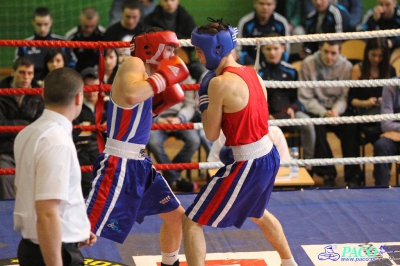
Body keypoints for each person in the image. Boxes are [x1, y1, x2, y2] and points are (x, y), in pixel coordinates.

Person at [182, 19, 298, 266]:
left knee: (191, 221)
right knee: (258, 213)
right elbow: (258, 118)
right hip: (268, 154)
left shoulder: (218, 83)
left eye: (200, 51)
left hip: (249, 163)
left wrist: (205, 105)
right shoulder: (253, 74)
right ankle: (290, 263)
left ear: (216, 50)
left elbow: (211, 135)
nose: (197, 56)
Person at [85, 28, 189, 266]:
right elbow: (131, 96)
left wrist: (161, 95)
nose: (173, 54)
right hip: (119, 163)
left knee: (176, 217)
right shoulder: (134, 64)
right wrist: (163, 79)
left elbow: (135, 113)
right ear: (151, 48)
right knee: (85, 229)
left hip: (139, 164)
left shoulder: (148, 77)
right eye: (169, 48)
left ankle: (169, 263)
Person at [13, 67, 97, 266]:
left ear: (42, 94)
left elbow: (25, 190)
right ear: (79, 98)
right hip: (52, 252)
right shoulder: (56, 140)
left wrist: (75, 228)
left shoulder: (27, 133)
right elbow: (47, 212)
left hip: (41, 245)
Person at [298, 40, 363, 187]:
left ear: (340, 53)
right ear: (320, 48)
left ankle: (353, 175)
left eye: (333, 53)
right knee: (316, 127)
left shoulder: (346, 66)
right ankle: (327, 173)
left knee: (351, 127)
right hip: (316, 109)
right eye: (326, 52)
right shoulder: (308, 64)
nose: (329, 57)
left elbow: (345, 96)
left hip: (337, 109)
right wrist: (323, 112)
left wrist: (336, 111)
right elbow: (305, 96)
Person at [258, 33, 315, 163]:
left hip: (288, 114)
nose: (272, 52)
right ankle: (264, 168)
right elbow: (254, 102)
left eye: (276, 48)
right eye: (268, 49)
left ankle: (309, 166)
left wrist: (293, 108)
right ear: (262, 50)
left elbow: (298, 98)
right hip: (266, 118)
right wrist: (265, 115)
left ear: (283, 48)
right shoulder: (257, 72)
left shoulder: (292, 71)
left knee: (308, 124)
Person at [0, 57, 44, 200]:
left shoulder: (39, 95)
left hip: (32, 149)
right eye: (22, 72)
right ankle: (9, 213)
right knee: (4, 174)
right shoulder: (1, 93)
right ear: (13, 72)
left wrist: (12, 125)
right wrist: (27, 124)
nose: (26, 77)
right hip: (6, 150)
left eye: (30, 73)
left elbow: (41, 125)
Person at [148, 79, 200, 192]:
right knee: (153, 142)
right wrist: (158, 120)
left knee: (194, 140)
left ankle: (170, 177)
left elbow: (190, 106)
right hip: (157, 117)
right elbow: (145, 103)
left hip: (180, 117)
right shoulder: (152, 74)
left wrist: (179, 119)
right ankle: (176, 179)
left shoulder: (186, 76)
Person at [143, 0, 206, 82]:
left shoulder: (186, 18)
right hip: (157, 62)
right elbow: (146, 43)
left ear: (178, 1)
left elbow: (192, 45)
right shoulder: (149, 19)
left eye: (172, 0)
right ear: (161, 1)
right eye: (165, 0)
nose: (169, 3)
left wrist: (170, 37)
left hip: (184, 61)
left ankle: (202, 95)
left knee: (204, 72)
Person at [349, 37, 396, 145]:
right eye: (373, 55)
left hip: (385, 114)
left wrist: (385, 101)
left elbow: (395, 99)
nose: (376, 59)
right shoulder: (357, 70)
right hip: (364, 114)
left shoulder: (390, 70)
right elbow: (351, 100)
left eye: (380, 56)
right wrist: (366, 103)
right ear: (367, 53)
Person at [14, 7, 77, 81]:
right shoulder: (24, 45)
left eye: (45, 24)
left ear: (50, 22)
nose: (42, 29)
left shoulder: (63, 43)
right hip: (32, 86)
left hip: (59, 84)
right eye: (39, 24)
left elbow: (72, 65)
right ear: (33, 22)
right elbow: (17, 68)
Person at [73, 67, 107, 198]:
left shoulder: (110, 105)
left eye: (95, 86)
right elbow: (76, 134)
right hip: (83, 151)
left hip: (107, 150)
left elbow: (117, 131)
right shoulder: (76, 106)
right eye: (88, 86)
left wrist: (89, 128)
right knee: (87, 183)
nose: (92, 90)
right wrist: (100, 129)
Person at [237, 0, 290, 66]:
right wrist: (253, 67)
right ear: (255, 4)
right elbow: (240, 49)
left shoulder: (281, 22)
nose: (265, 7)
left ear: (274, 5)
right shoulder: (245, 22)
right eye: (261, 4)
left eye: (269, 4)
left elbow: (285, 50)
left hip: (276, 66)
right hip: (251, 66)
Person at [373, 77, 400, 186]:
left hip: (395, 132)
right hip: (391, 135)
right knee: (381, 146)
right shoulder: (390, 85)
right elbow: (386, 124)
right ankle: (381, 190)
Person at [65, 7, 106, 73]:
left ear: (97, 19)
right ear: (80, 18)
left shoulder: (104, 35)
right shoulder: (71, 36)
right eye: (86, 26)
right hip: (76, 71)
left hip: (98, 71)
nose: (89, 29)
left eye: (92, 26)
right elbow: (67, 58)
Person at [104, 0, 144, 64]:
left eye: (134, 17)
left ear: (140, 15)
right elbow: (106, 56)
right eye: (127, 17)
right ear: (121, 13)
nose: (130, 21)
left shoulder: (145, 31)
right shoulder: (111, 32)